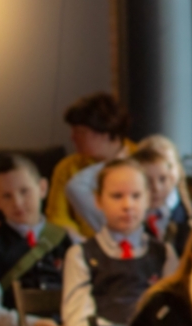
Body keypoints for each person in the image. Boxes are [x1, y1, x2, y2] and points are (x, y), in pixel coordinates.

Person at [62, 160, 177, 326]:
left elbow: (174, 313)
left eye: (136, 196)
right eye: (117, 196)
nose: (127, 205)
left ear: (148, 198)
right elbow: (77, 324)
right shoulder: (81, 255)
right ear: (98, 200)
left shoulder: (164, 254)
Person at [0, 156, 74, 326]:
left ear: (42, 188)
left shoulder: (66, 238)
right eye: (7, 196)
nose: (17, 202)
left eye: (24, 191)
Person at [48, 92, 130, 237]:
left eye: (80, 132)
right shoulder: (67, 168)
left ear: (105, 133)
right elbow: (58, 217)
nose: (72, 137)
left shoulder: (142, 160)